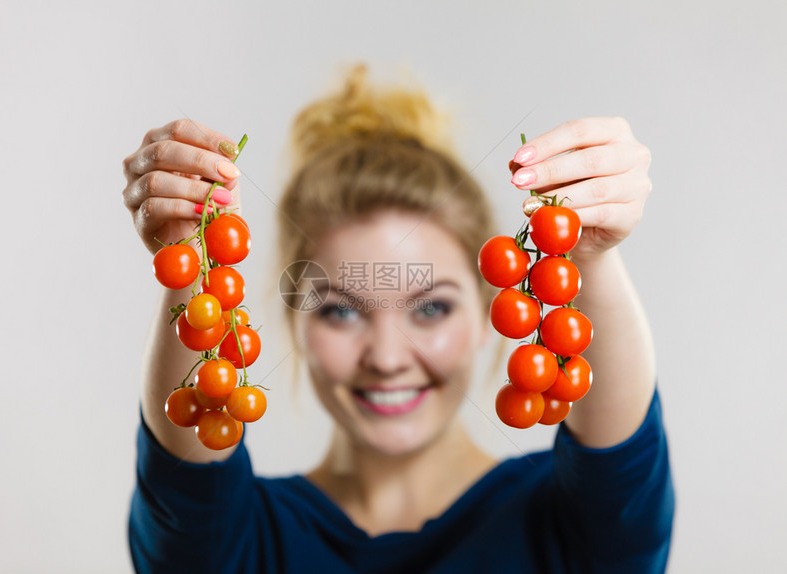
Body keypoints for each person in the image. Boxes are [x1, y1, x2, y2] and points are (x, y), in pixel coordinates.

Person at [121, 63, 673, 573]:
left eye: (431, 307)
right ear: (297, 323)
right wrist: (187, 260)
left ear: (491, 312)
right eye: (340, 310)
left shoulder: (572, 531)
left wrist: (590, 252)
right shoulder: (235, 544)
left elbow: (617, 466)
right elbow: (187, 481)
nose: (386, 357)